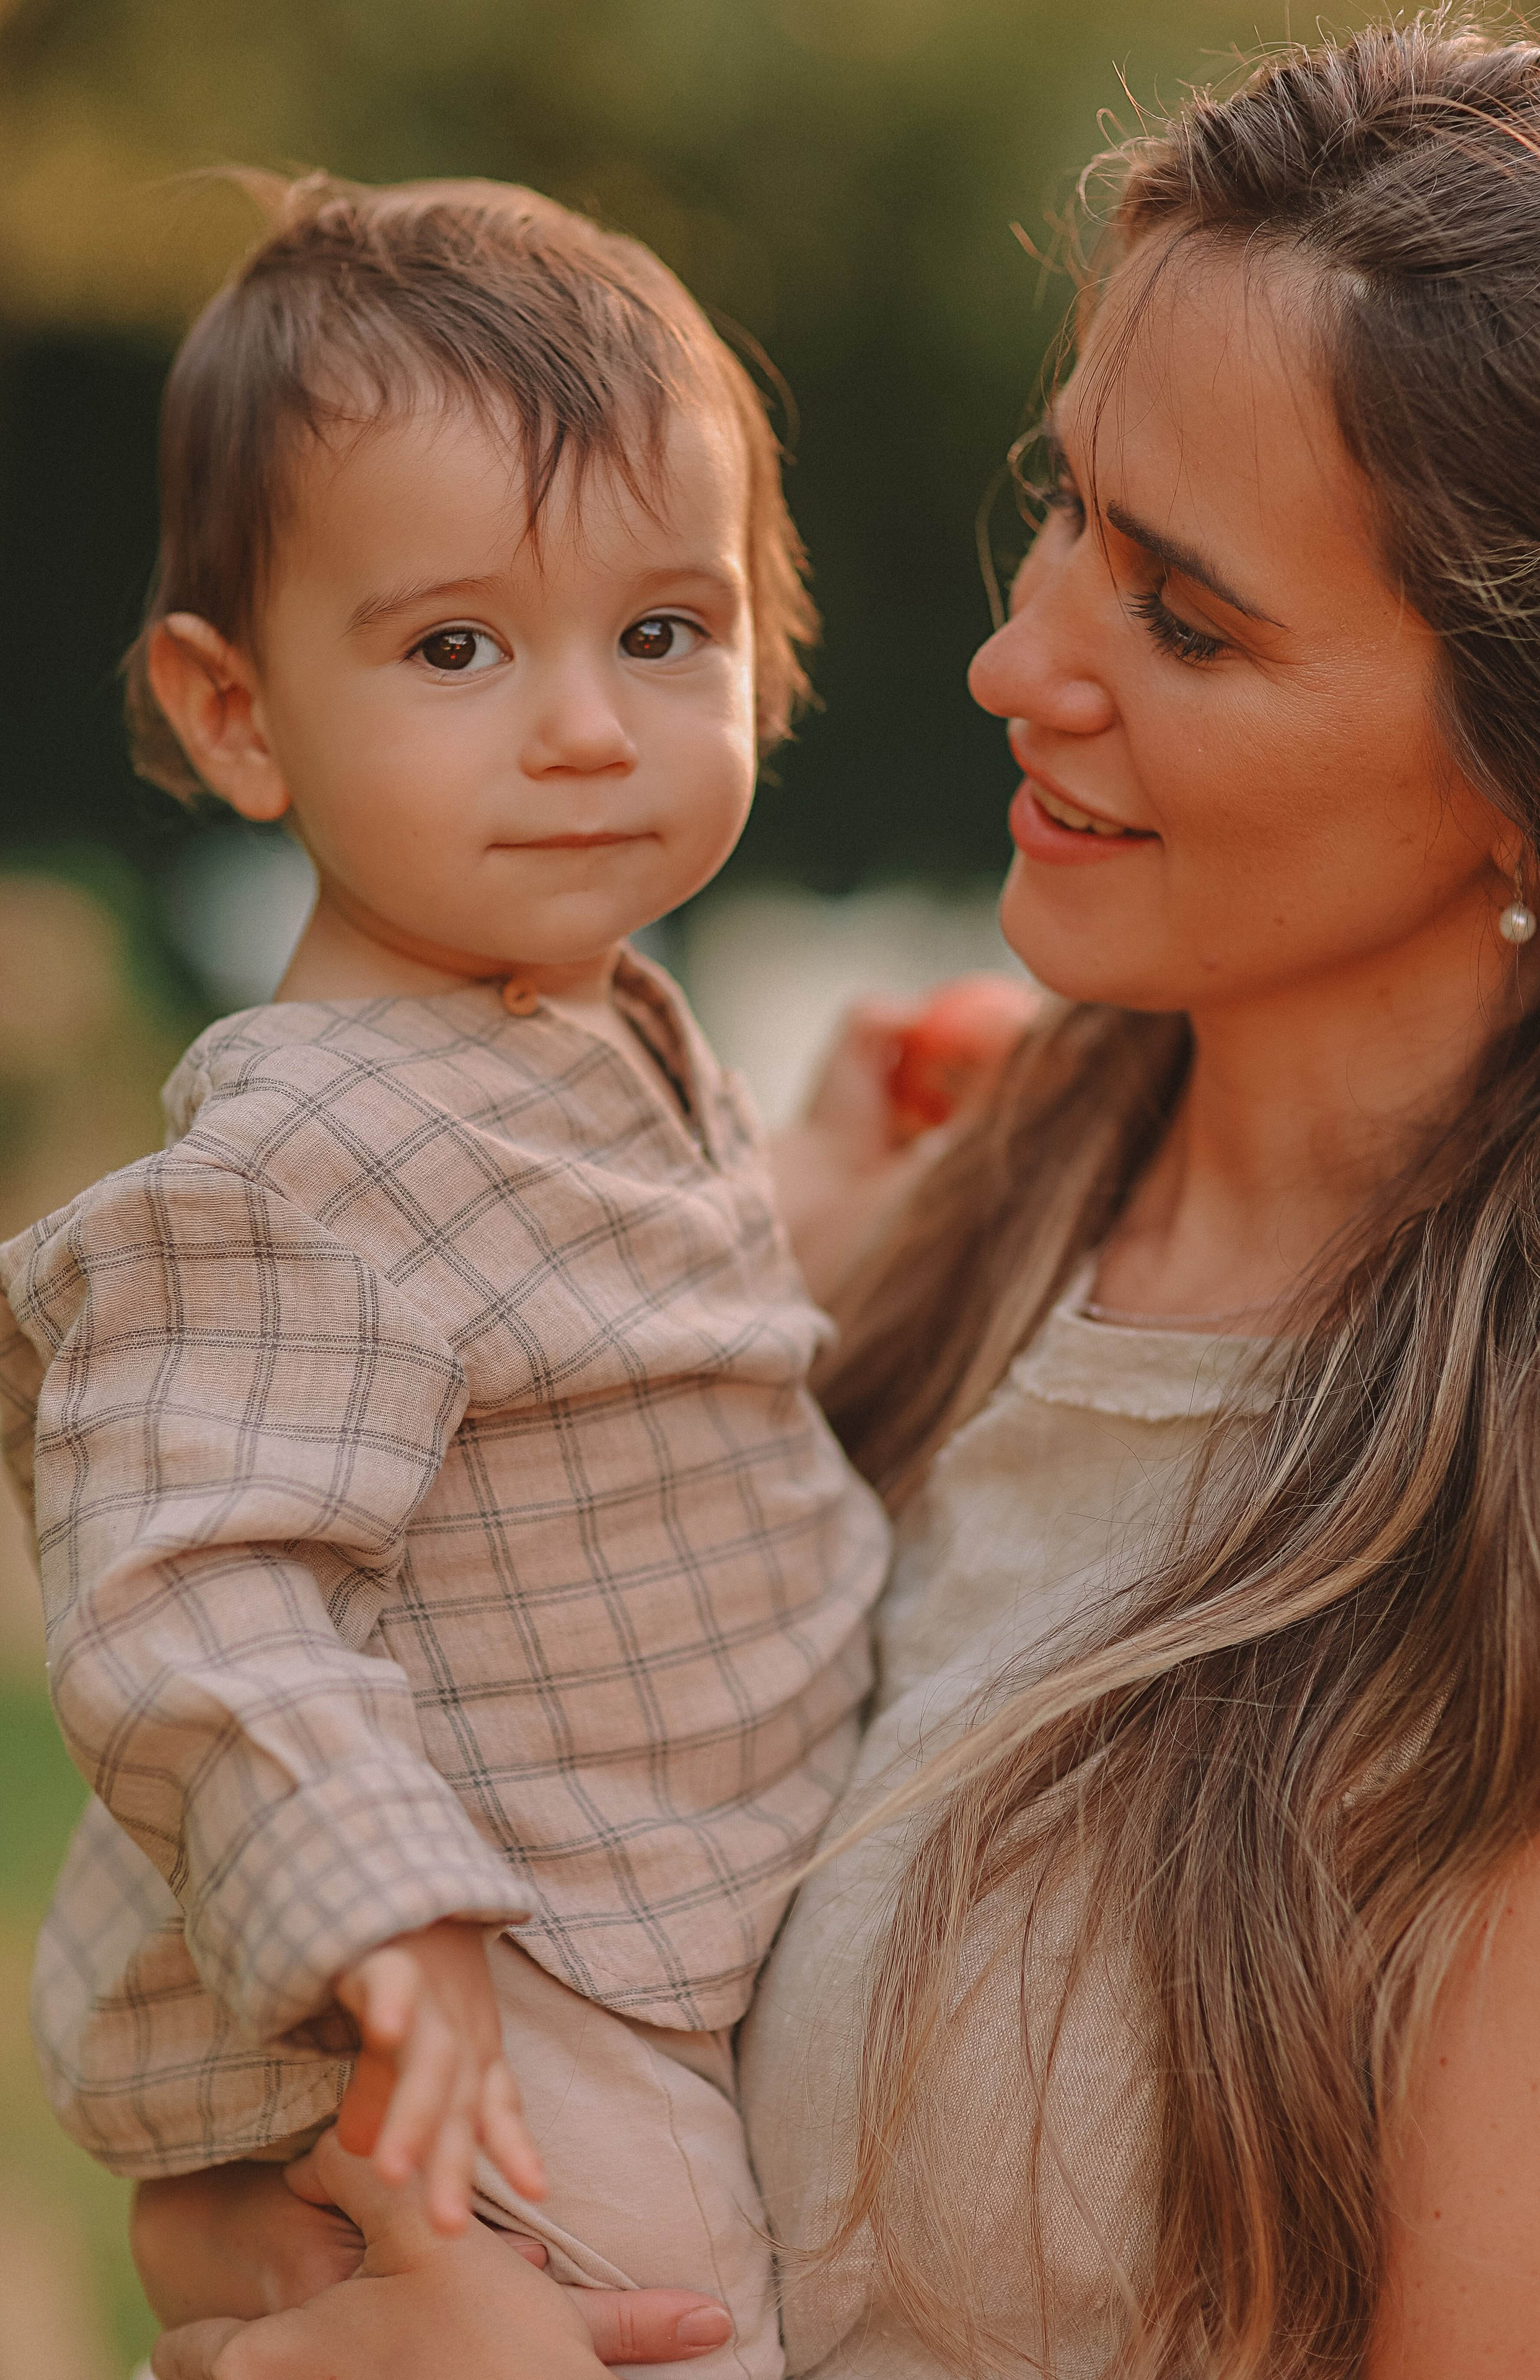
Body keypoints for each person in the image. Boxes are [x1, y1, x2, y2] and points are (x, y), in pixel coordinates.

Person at [110, 15, 1540, 2376]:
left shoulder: (1527, 1576)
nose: (1017, 656)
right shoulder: (915, 1186)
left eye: (1183, 618)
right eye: (1063, 503)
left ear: (1536, 772)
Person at [0, 173, 900, 2379]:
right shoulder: (296, 1161)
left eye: (664, 633)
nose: (587, 725)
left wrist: (842, 1172)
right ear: (236, 716)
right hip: (492, 1990)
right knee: (689, 2335)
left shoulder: (584, 1015)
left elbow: (607, 1317)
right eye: (457, 649)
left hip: (643, 1909)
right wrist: (383, 1907)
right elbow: (182, 1584)